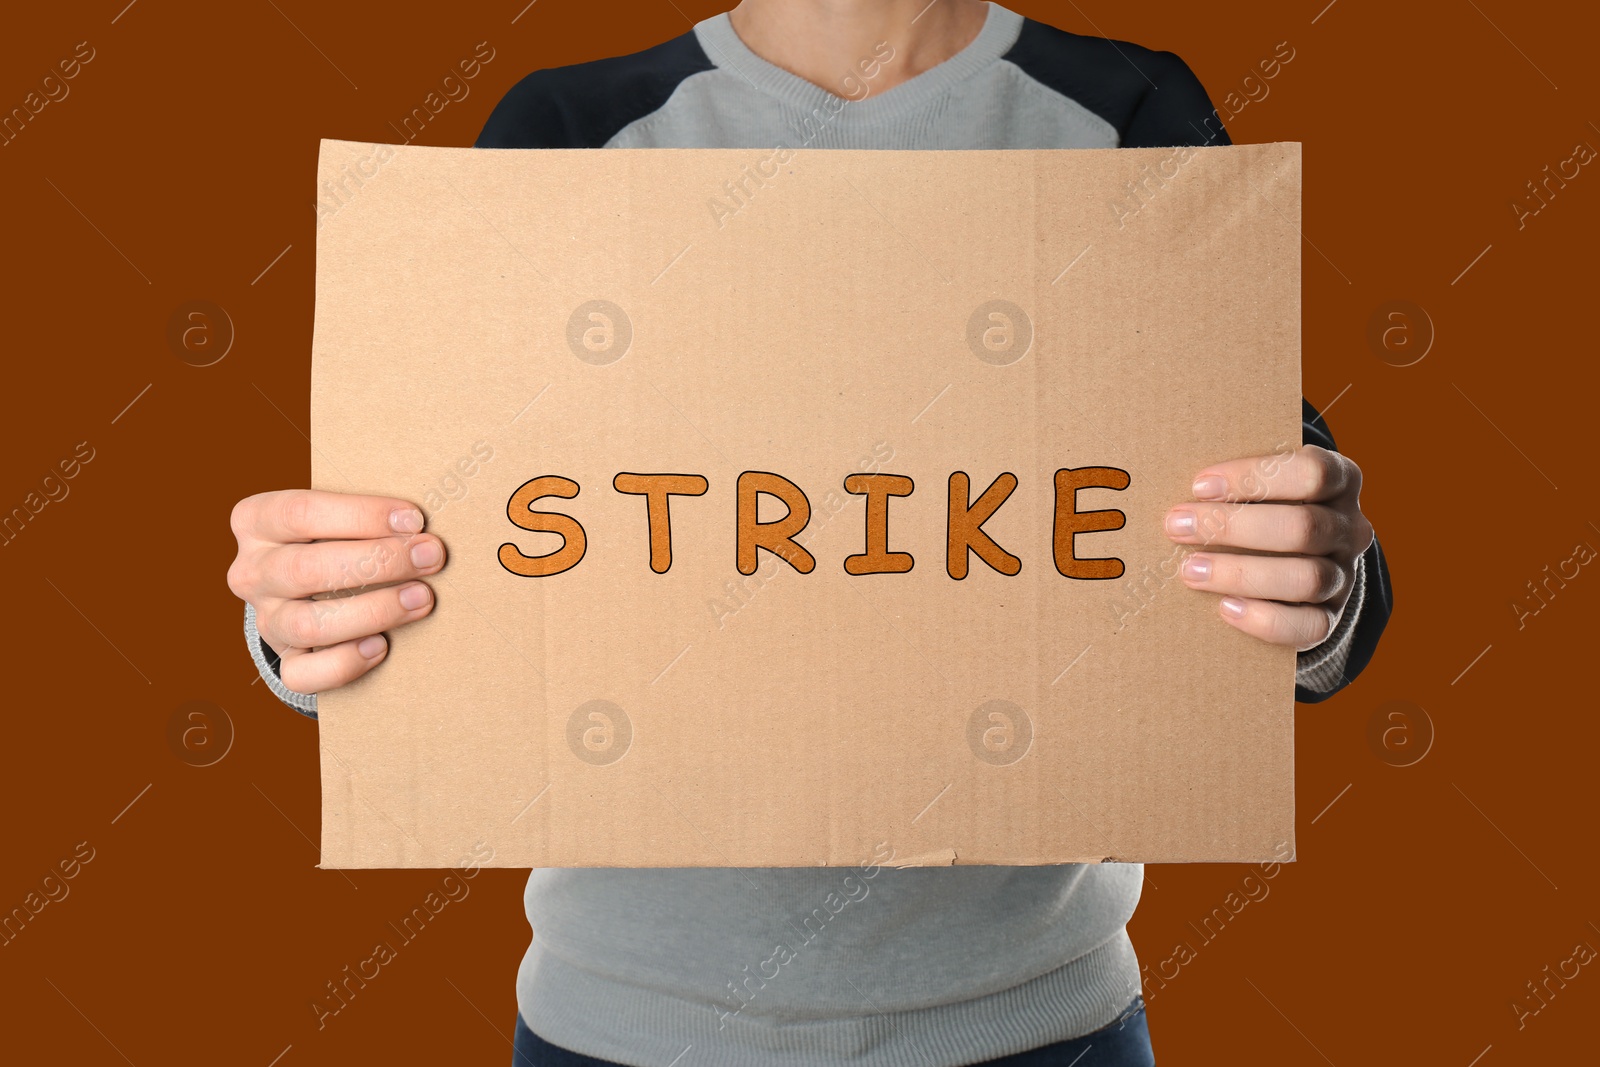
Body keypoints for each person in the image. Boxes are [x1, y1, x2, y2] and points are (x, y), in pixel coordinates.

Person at [228, 2, 1393, 1064]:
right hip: (619, 1026)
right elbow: (449, 539)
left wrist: (1316, 591)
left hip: (1039, 1022)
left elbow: (1287, 546)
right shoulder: (567, 130)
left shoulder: (1128, 114)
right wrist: (309, 619)